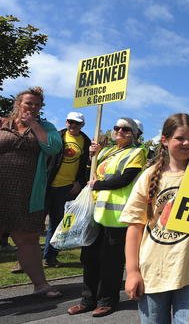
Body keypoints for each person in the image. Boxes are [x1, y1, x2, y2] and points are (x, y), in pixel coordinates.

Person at [120, 113, 189, 323]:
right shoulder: (148, 176)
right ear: (165, 140)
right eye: (179, 138)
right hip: (152, 273)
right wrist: (132, 271)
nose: (186, 143)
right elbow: (134, 227)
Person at [67, 117, 146, 317]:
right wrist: (91, 156)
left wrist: (98, 185)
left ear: (135, 134)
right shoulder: (107, 151)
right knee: (90, 258)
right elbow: (91, 175)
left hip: (117, 216)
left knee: (110, 261)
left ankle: (107, 301)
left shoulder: (138, 153)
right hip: (95, 213)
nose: (120, 131)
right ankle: (87, 300)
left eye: (126, 129)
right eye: (117, 127)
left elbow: (124, 179)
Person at [0, 86, 63, 297]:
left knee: (27, 239)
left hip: (27, 194)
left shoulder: (46, 126)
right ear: (18, 103)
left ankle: (41, 285)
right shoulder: (3, 124)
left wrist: (34, 125)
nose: (33, 107)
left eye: (37, 104)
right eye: (29, 103)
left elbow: (53, 148)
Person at [43, 111, 91, 267]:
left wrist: (79, 181)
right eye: (70, 122)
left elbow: (86, 165)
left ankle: (49, 256)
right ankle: (24, 260)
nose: (73, 125)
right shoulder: (57, 136)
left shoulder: (86, 141)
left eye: (77, 123)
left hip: (66, 187)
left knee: (56, 223)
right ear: (65, 122)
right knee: (33, 222)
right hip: (46, 184)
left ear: (82, 125)